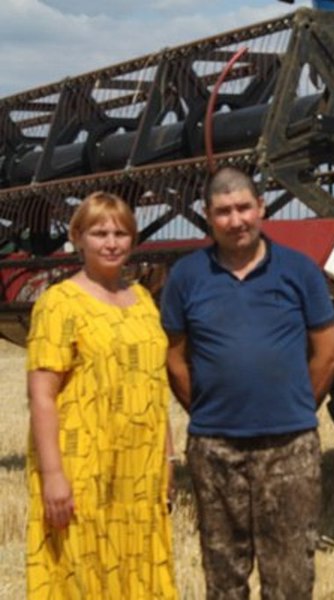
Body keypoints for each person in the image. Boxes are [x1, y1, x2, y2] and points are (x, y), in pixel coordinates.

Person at [162, 167, 334, 599]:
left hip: (290, 446)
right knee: (224, 575)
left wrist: (295, 405)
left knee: (291, 575)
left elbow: (328, 354)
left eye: (244, 207)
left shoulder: (299, 271)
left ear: (261, 208)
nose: (236, 220)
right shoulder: (186, 277)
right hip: (215, 447)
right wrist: (206, 411)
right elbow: (174, 358)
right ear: (207, 216)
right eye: (223, 211)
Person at [25, 191, 176, 598]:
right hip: (83, 466)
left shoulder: (143, 300)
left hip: (139, 467)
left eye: (120, 233)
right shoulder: (59, 304)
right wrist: (53, 476)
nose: (111, 242)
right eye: (99, 232)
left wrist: (167, 457)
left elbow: (153, 383)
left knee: (138, 565)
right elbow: (41, 395)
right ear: (78, 238)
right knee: (84, 569)